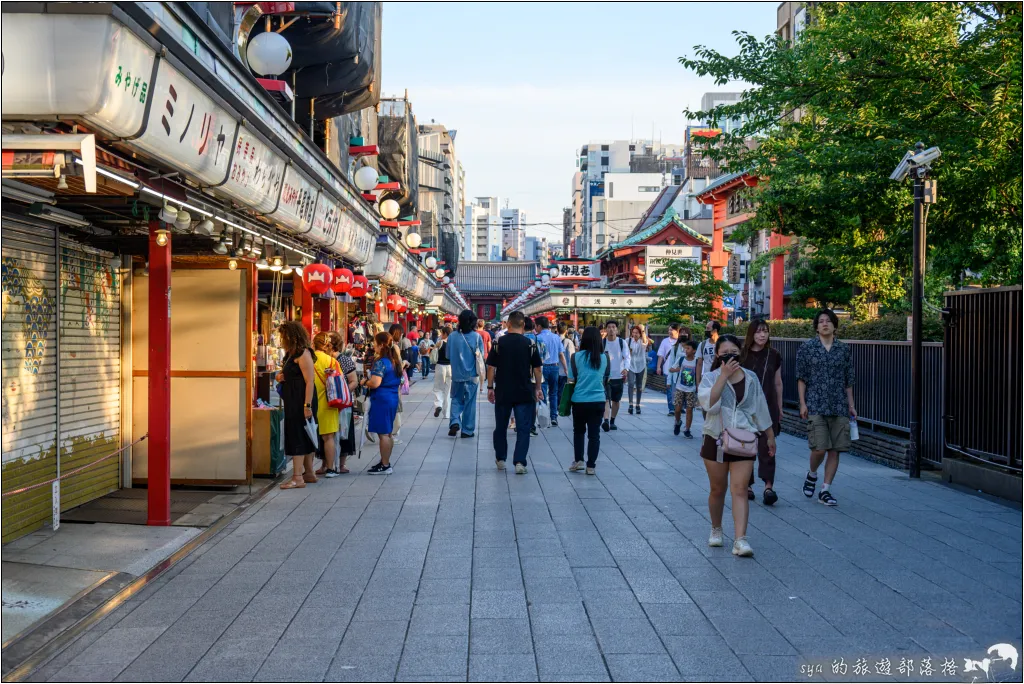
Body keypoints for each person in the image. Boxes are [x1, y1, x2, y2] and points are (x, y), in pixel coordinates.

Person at [698, 334, 776, 557]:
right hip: (715, 437)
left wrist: (770, 436)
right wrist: (723, 376)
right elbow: (708, 403)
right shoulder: (711, 377)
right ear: (717, 355)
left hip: (744, 439)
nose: (730, 355)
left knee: (740, 489)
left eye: (734, 351)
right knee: (718, 489)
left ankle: (741, 540)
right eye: (724, 352)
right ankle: (716, 529)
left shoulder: (750, 378)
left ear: (741, 352)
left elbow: (760, 408)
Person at [797, 309, 856, 507]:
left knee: (836, 449)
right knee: (820, 448)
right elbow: (801, 378)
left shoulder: (843, 349)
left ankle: (825, 489)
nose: (825, 324)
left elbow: (848, 380)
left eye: (828, 321)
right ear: (816, 326)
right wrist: (802, 403)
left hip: (839, 405)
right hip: (815, 404)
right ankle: (812, 473)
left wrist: (851, 404)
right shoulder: (807, 348)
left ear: (834, 325)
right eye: (821, 321)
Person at [486, 311, 543, 474]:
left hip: (503, 390)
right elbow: (537, 369)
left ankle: (501, 459)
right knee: (523, 427)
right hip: (524, 391)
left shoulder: (499, 342)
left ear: (508, 324)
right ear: (523, 325)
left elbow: (491, 367)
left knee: (501, 426)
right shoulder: (530, 343)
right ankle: (519, 462)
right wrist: (538, 388)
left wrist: (490, 388)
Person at [740, 319, 783, 505]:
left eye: (765, 331)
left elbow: (778, 383)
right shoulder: (742, 355)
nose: (762, 335)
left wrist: (780, 407)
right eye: (758, 332)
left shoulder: (774, 354)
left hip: (768, 405)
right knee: (746, 446)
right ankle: (747, 485)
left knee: (767, 447)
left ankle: (768, 486)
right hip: (746, 408)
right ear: (751, 334)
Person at [276, 321, 318, 489]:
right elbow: (289, 374)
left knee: (298, 435)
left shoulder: (303, 353)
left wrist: (307, 405)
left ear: (292, 336)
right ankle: (309, 473)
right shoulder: (291, 354)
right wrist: (280, 377)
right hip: (293, 399)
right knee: (305, 434)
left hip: (301, 400)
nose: (281, 339)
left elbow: (310, 381)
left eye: (283, 336)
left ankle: (297, 477)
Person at [567, 326, 611, 475]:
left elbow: (571, 378)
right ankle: (591, 466)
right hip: (598, 400)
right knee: (594, 434)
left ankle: (578, 461)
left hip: (579, 400)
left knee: (578, 431)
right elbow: (606, 377)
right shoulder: (604, 358)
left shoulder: (576, 357)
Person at [361, 331, 403, 474]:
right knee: (388, 432)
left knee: (383, 434)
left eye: (375, 343)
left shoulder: (381, 362)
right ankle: (385, 461)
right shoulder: (394, 361)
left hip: (382, 399)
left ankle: (385, 465)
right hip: (391, 397)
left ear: (381, 344)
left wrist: (364, 381)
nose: (374, 345)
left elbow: (375, 382)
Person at [447, 309, 485, 437]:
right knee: (470, 403)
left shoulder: (452, 336)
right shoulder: (476, 337)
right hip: (472, 376)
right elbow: (481, 356)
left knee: (456, 399)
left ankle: (454, 421)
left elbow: (447, 355)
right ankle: (467, 430)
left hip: (456, 375)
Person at [311, 332, 342, 478]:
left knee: (309, 437)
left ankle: (308, 470)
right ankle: (330, 468)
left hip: (309, 403)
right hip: (328, 403)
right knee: (328, 438)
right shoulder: (331, 361)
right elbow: (339, 382)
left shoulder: (307, 359)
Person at [328, 331, 356, 474]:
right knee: (328, 433)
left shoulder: (344, 360)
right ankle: (327, 464)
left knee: (343, 430)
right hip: (327, 402)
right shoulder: (323, 359)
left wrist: (342, 394)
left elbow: (354, 381)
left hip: (343, 403)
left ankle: (341, 464)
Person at [535, 317, 567, 428]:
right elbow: (561, 354)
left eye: (536, 326)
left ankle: (543, 419)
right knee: (554, 393)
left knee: (542, 394)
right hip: (554, 368)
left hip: (542, 369)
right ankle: (554, 417)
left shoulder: (537, 338)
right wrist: (566, 369)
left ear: (539, 326)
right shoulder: (556, 337)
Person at [601, 320, 629, 432]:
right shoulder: (602, 343)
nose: (611, 329)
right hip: (606, 377)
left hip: (618, 376)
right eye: (609, 327)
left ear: (616, 330)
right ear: (606, 329)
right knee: (606, 399)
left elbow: (627, 357)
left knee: (616, 400)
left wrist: (626, 369)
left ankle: (612, 420)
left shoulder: (622, 343)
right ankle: (606, 421)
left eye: (613, 327)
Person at [671, 339, 700, 438]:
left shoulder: (697, 362)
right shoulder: (681, 359)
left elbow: (699, 374)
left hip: (691, 389)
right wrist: (677, 369)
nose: (686, 350)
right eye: (685, 348)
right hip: (680, 387)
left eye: (688, 348)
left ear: (694, 350)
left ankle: (687, 429)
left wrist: (698, 386)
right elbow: (670, 369)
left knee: (689, 410)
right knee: (678, 409)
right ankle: (678, 422)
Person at [656, 324, 681, 414]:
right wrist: (658, 367)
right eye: (669, 330)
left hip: (679, 370)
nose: (670, 332)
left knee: (679, 389)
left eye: (672, 330)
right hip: (668, 369)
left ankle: (679, 406)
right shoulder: (665, 341)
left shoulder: (682, 342)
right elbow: (661, 355)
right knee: (669, 388)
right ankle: (671, 408)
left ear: (678, 331)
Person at [626, 325, 649, 415]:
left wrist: (643, 331)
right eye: (633, 332)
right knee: (631, 384)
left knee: (639, 386)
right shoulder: (628, 341)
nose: (635, 334)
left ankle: (638, 404)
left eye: (637, 333)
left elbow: (645, 343)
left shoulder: (642, 341)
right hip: (631, 365)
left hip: (641, 365)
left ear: (640, 334)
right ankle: (630, 404)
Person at [432, 326, 452, 419]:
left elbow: (433, 352)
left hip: (440, 366)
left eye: (442, 333)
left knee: (438, 388)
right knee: (448, 391)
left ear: (444, 334)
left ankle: (438, 405)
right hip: (450, 367)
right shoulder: (453, 343)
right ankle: (446, 414)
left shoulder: (440, 342)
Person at [557, 321, 576, 414]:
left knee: (554, 390)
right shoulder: (568, 342)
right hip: (565, 370)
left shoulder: (554, 340)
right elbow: (572, 356)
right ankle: (561, 406)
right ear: (566, 331)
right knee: (563, 390)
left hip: (554, 369)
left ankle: (556, 406)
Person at [696, 320, 721, 386]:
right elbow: (699, 364)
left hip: (720, 379)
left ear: (715, 330)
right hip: (706, 379)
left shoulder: (722, 344)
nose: (705, 330)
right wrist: (698, 382)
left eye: (708, 328)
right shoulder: (702, 345)